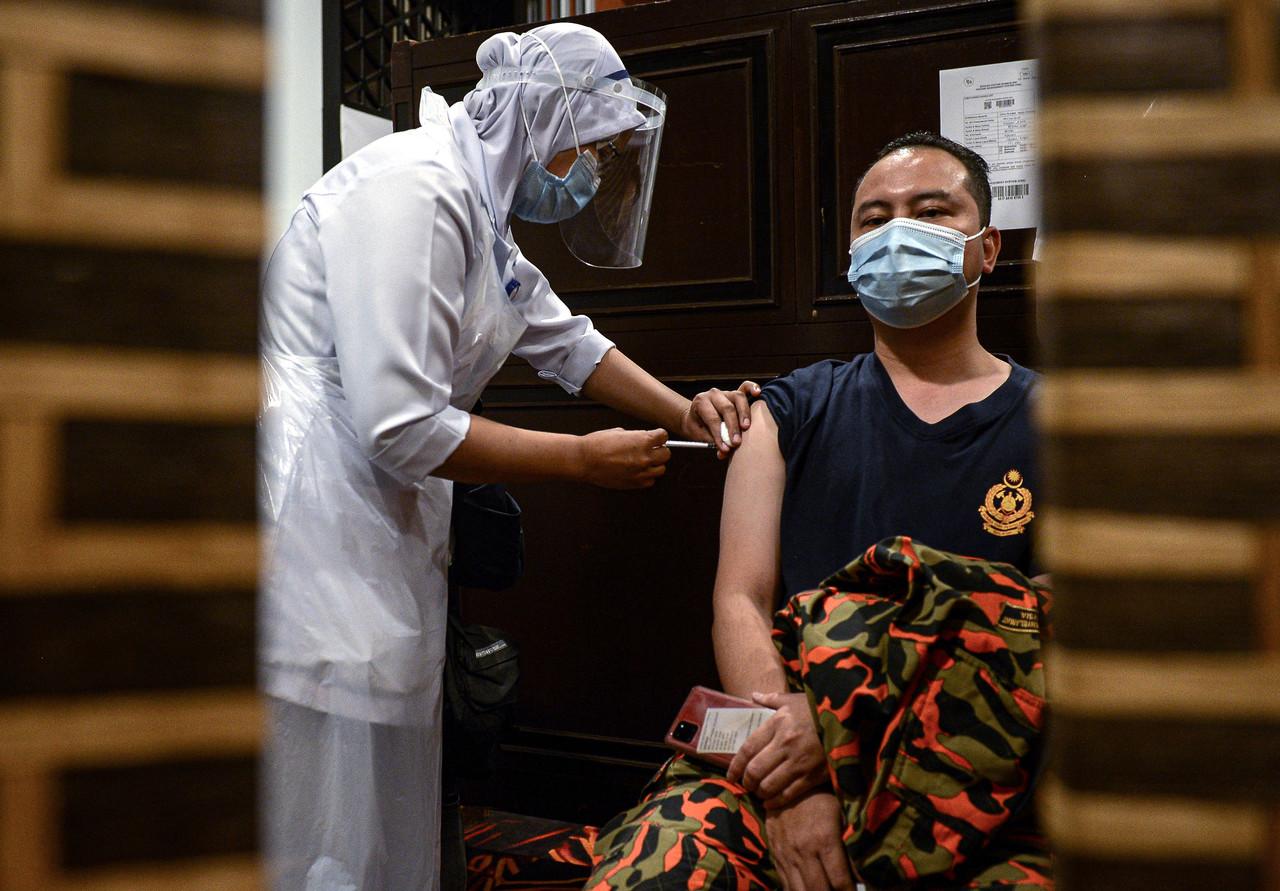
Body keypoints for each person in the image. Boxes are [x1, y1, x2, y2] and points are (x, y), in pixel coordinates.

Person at [258, 23, 758, 891]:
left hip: (374, 524)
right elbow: (399, 424)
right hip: (315, 521)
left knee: (375, 809)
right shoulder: (415, 191)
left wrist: (684, 408)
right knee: (315, 807)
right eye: (592, 148)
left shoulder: (479, 211)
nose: (592, 172)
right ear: (542, 115)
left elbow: (564, 339)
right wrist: (581, 461)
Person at [587, 131, 1050, 890]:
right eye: (875, 219)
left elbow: (1043, 628)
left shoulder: (1060, 424)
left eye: (932, 211)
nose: (899, 232)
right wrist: (793, 785)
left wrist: (837, 722)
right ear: (853, 256)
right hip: (778, 743)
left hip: (970, 760)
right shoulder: (788, 410)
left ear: (988, 247)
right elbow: (740, 600)